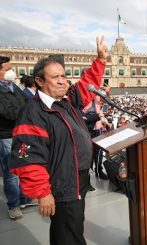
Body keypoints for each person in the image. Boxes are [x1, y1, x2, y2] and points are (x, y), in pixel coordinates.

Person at [9, 36, 108, 245]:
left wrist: (100, 60)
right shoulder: (33, 113)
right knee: (69, 234)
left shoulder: (65, 100)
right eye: (55, 77)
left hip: (77, 179)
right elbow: (30, 159)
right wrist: (43, 193)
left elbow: (85, 85)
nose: (62, 80)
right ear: (39, 81)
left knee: (70, 228)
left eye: (63, 75)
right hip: (62, 184)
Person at [0, 56, 33, 220]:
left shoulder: (13, 86)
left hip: (21, 132)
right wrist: (27, 114)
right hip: (7, 135)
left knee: (24, 165)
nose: (11, 72)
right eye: (7, 69)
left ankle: (24, 198)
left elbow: (28, 101)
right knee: (11, 172)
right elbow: (7, 112)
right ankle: (13, 205)